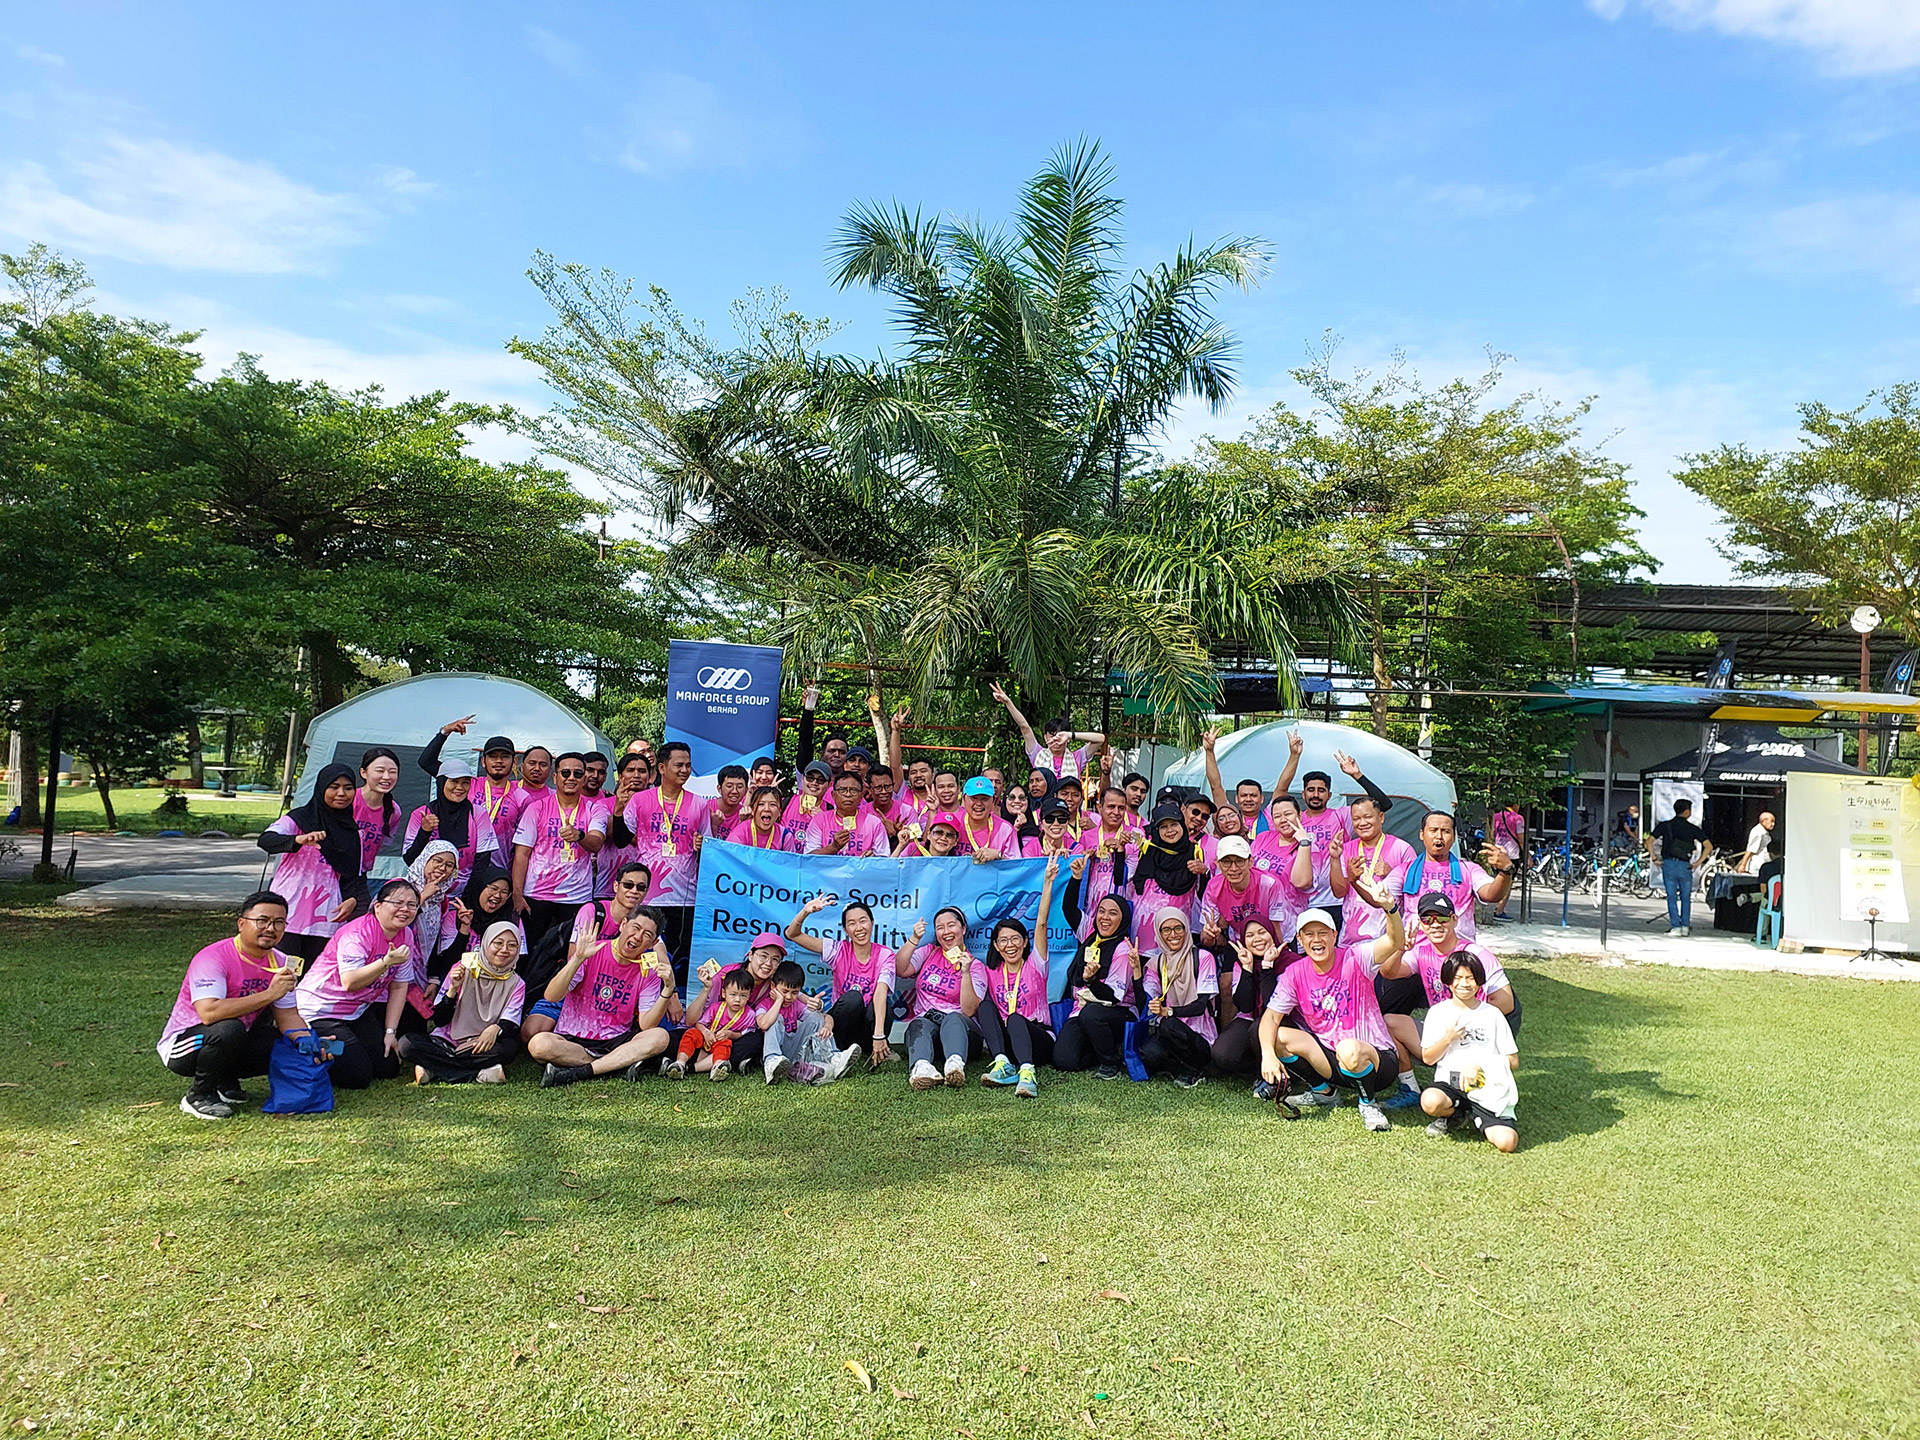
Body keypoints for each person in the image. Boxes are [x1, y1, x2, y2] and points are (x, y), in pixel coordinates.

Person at [1257, 879, 1411, 1132]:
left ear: (1334, 935)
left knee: (1349, 1049)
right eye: (1309, 934)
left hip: (1374, 1058)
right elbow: (1271, 1018)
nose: (1316, 940)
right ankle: (1324, 1092)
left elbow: (1394, 941)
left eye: (1322, 933)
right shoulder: (1295, 973)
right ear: (1300, 938)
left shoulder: (1356, 957)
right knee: (1277, 1037)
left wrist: (1390, 908)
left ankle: (1368, 1103)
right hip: (1331, 1057)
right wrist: (1268, 1056)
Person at [160, 891, 304, 1119]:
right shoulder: (212, 957)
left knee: (281, 1042)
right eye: (262, 921)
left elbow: (288, 1016)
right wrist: (269, 994)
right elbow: (209, 1013)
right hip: (185, 1045)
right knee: (228, 1029)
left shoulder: (284, 961)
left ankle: (224, 1081)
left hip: (234, 1038)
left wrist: (309, 1043)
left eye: (278, 922)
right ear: (241, 924)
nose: (270, 928)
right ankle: (199, 1095)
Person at [293, 879, 426, 1090]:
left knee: (387, 1067)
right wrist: (385, 963)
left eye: (412, 905)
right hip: (320, 1010)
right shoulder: (357, 934)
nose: (405, 909)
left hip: (356, 1012)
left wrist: (390, 1032)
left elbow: (400, 986)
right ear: (378, 906)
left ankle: (340, 1047)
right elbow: (350, 982)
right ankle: (303, 1043)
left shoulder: (405, 935)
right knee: (357, 1076)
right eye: (398, 903)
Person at [1380, 893, 1520, 1083]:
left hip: (1473, 1034)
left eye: (1442, 918)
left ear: (1455, 920)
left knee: (1459, 1093)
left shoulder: (1476, 955)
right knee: (1390, 1022)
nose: (1435, 924)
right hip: (1444, 1029)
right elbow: (1389, 972)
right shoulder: (1421, 952)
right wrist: (1400, 949)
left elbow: (1506, 1002)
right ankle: (1410, 1087)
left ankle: (1468, 1084)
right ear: (1421, 924)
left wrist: (1460, 1025)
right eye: (1428, 919)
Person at [528, 907, 675, 1086]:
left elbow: (646, 1024)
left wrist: (668, 989)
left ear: (652, 943)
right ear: (623, 925)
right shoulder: (594, 950)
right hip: (573, 1037)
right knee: (539, 1044)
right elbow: (551, 996)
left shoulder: (649, 969)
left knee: (660, 1036)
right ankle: (617, 1064)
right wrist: (577, 959)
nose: (637, 937)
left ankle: (583, 1071)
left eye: (646, 934)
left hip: (616, 1039)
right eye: (635, 928)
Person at [256, 762, 369, 962]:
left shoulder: (354, 833)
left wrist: (353, 900)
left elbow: (356, 875)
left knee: (312, 975)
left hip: (326, 916)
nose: (341, 793)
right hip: (288, 911)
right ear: (321, 788)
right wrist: (297, 840)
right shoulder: (298, 820)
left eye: (348, 788)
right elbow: (266, 841)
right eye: (334, 787)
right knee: (283, 971)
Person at [965, 860, 1059, 1098]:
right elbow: (974, 1006)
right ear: (996, 946)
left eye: (1015, 938)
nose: (1010, 945)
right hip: (1008, 1041)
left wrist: (1047, 882)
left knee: (1016, 1019)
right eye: (1003, 941)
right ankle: (1002, 1064)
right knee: (985, 1005)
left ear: (1025, 942)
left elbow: (1041, 922)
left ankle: (1027, 1074)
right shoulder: (990, 971)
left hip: (1038, 1039)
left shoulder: (1036, 965)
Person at [621, 741, 712, 983]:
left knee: (678, 960)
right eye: (679, 765)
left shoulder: (700, 804)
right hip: (648, 896)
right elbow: (621, 838)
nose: (684, 770)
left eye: (688, 765)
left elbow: (708, 851)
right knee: (645, 958)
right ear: (662, 767)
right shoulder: (641, 800)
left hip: (684, 897)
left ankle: (674, 1008)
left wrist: (702, 848)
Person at [398, 921, 526, 1085]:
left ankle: (433, 1068)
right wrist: (452, 989)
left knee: (508, 1049)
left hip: (480, 1045)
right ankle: (481, 1072)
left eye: (512, 945)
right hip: (446, 1041)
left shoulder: (516, 983)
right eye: (498, 943)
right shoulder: (463, 968)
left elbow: (510, 1022)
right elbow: (439, 1019)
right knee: (407, 1044)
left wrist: (496, 1028)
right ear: (486, 944)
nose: (504, 950)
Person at [1419, 952, 1520, 1152]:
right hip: (1451, 1082)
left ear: (1479, 981)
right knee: (1430, 1101)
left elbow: (1513, 1060)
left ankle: (1479, 1115)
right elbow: (1428, 1058)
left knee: (1507, 1143)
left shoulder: (1492, 1014)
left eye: (1470, 978)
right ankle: (1456, 1114)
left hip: (1487, 1086)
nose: (1464, 984)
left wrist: (1481, 1066)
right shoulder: (1438, 1013)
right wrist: (1447, 1038)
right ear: (1448, 982)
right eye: (1457, 978)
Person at [785, 895, 895, 1071]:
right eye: (852, 923)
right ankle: (836, 1047)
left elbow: (881, 992)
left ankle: (875, 1046)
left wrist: (879, 1035)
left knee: (883, 1006)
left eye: (863, 921)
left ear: (872, 923)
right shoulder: (837, 950)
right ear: (845, 929)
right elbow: (792, 934)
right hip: (841, 1027)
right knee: (853, 998)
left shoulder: (885, 955)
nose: (858, 928)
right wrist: (805, 911)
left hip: (868, 1031)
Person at [1295, 750, 1394, 937]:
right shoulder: (1295, 820)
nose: (1316, 795)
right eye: (1311, 790)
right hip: (1301, 902)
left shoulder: (1341, 815)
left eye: (1321, 790)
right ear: (1303, 793)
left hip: (1335, 900)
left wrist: (1357, 775)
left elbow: (1384, 804)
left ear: (1329, 794)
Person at [511, 751, 597, 951]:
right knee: (534, 952)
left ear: (584, 778)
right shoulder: (537, 808)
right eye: (565, 772)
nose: (571, 778)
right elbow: (522, 854)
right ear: (556, 776)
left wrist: (580, 836)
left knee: (570, 953)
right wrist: (517, 894)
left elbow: (597, 843)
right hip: (536, 895)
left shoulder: (594, 809)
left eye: (577, 773)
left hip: (577, 897)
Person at [1053, 879, 1138, 1079]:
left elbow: (1113, 998)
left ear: (1123, 919)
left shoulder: (1123, 948)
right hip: (1082, 1009)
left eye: (1113, 913)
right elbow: (1068, 908)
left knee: (1092, 1014)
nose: (1105, 917)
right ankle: (1098, 1050)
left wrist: (1091, 981)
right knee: (1064, 1060)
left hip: (1118, 1013)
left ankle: (1111, 1064)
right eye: (1101, 911)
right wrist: (1075, 877)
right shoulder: (1090, 935)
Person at [411, 718, 503, 894]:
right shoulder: (424, 813)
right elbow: (425, 762)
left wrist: (469, 895)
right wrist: (445, 731)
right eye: (454, 781)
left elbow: (482, 860)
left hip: (465, 891)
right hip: (424, 890)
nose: (460, 787)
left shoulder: (478, 810)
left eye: (465, 782)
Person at [1399, 811, 1514, 942]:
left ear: (1454, 837)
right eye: (1433, 830)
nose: (1439, 836)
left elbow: (1491, 895)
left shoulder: (1469, 869)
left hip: (1458, 954)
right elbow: (1378, 899)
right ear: (1422, 834)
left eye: (1446, 831)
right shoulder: (1404, 871)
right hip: (1414, 951)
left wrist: (1506, 871)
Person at [899, 910, 976, 1088]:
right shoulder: (929, 952)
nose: (946, 931)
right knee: (917, 1023)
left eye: (951, 925)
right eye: (940, 928)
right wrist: (914, 939)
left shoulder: (975, 966)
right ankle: (921, 1067)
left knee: (954, 1017)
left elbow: (969, 1010)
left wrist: (965, 973)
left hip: (962, 1036)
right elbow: (900, 970)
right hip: (930, 1033)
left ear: (963, 929)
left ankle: (955, 1066)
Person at [1211, 917, 1288, 1087]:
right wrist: (1248, 968)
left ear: (1272, 934)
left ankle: (1274, 1074)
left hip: (1284, 1021)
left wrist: (1267, 966)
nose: (1257, 939)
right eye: (1250, 935)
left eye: (1262, 933)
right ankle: (1256, 1067)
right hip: (1251, 1017)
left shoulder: (1289, 961)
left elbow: (1273, 1006)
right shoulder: (1243, 960)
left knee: (1259, 1028)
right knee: (1222, 1055)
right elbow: (1244, 1006)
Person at [1330, 792, 1414, 948]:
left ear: (1381, 817)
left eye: (1367, 817)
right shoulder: (1346, 849)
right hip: (1351, 940)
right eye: (1356, 819)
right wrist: (1334, 859)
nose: (1362, 823)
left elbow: (1413, 895)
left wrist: (1392, 873)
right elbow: (1339, 892)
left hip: (1388, 940)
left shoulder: (1402, 848)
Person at [758, 956, 858, 1085]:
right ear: (773, 986)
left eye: (794, 992)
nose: (788, 997)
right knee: (774, 1018)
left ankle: (834, 1058)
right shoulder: (763, 1005)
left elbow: (825, 1018)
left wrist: (827, 1027)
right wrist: (778, 1000)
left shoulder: (796, 1004)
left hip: (794, 1050)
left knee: (816, 1016)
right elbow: (763, 1024)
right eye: (784, 991)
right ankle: (771, 1062)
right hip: (777, 1050)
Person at [988, 681, 1105, 781]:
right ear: (1045, 737)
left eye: (1060, 735)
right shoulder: (1037, 753)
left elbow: (1100, 739)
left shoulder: (1077, 758)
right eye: (1052, 735)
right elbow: (1024, 727)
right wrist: (1008, 702)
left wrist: (1070, 735)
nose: (1056, 739)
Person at [667, 965, 759, 1080]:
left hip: (720, 1041)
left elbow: (746, 1033)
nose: (737, 1000)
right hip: (706, 1037)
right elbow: (699, 1023)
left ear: (749, 996)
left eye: (743, 995)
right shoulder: (715, 1007)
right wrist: (705, 1032)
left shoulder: (749, 1014)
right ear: (724, 993)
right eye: (733, 994)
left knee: (726, 1045)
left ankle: (718, 1067)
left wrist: (730, 1034)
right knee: (691, 1034)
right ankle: (680, 1063)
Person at [1132, 803, 1204, 944]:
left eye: (1174, 824)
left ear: (1182, 825)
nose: (1170, 830)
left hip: (1177, 937)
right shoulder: (1147, 850)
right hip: (1142, 935)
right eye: (1163, 827)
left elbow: (1203, 891)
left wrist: (1204, 871)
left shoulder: (1195, 852)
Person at [1199, 835, 1286, 948]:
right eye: (1226, 862)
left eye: (1239, 861)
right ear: (1218, 864)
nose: (1234, 868)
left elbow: (1276, 929)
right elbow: (1206, 939)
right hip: (1240, 942)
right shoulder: (1214, 887)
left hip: (1274, 939)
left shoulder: (1269, 884)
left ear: (1250, 862)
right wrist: (1209, 935)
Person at [1648, 799, 1712, 936]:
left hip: (1669, 864)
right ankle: (1685, 926)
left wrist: (1654, 858)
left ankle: (1675, 926)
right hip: (1685, 865)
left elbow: (1649, 841)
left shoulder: (1665, 825)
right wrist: (1698, 862)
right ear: (1687, 811)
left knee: (1671, 896)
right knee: (1685, 897)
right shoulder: (1693, 828)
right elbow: (1709, 846)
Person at [805, 770, 892, 856]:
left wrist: (873, 858)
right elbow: (809, 857)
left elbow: (883, 859)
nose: (848, 795)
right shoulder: (820, 820)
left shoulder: (874, 823)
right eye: (842, 790)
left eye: (853, 790)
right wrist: (833, 847)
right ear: (833, 795)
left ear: (861, 796)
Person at [474, 734, 528, 854]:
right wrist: (445, 732)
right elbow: (427, 763)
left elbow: (524, 842)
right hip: (464, 867)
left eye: (504, 757)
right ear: (483, 761)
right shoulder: (470, 785)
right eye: (493, 757)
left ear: (514, 761)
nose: (498, 761)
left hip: (500, 868)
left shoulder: (522, 796)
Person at [354, 746, 403, 874]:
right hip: (332, 869)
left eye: (392, 771)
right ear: (363, 772)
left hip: (361, 873)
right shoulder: (350, 800)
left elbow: (386, 842)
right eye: (380, 771)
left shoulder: (394, 810)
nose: (386, 777)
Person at [954, 777, 1017, 861]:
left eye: (984, 799)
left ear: (993, 802)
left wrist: (999, 856)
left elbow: (1016, 867)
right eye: (974, 798)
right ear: (963, 800)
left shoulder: (1005, 829)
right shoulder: (953, 822)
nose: (979, 804)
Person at [728, 786, 792, 850]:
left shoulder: (785, 836)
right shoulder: (740, 833)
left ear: (779, 812)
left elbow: (790, 860)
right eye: (761, 804)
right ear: (752, 810)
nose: (767, 809)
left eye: (772, 804)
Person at [1741, 811, 1777, 876]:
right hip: (1758, 864)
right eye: (1771, 821)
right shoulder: (1758, 831)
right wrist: (1743, 865)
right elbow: (1750, 850)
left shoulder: (1764, 832)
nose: (1773, 824)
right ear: (1764, 821)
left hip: (1765, 862)